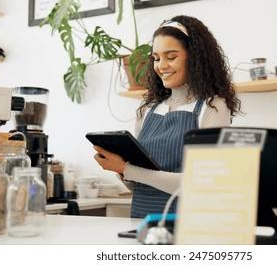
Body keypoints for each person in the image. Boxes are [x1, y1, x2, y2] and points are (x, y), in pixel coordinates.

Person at [93, 15, 241, 218]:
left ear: (195, 58)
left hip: (189, 226)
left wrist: (128, 169)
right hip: (142, 222)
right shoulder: (147, 110)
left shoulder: (212, 107)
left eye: (171, 57)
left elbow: (202, 183)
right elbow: (141, 186)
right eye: (156, 58)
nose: (161, 66)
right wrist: (121, 170)